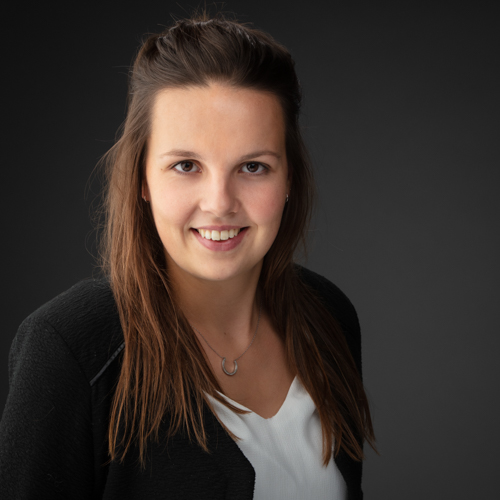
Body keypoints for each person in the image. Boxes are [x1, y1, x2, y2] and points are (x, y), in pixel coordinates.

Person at [0, 11, 376, 500]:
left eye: (253, 166)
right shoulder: (69, 348)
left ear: (289, 179)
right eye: (185, 165)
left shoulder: (330, 317)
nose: (219, 203)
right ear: (142, 179)